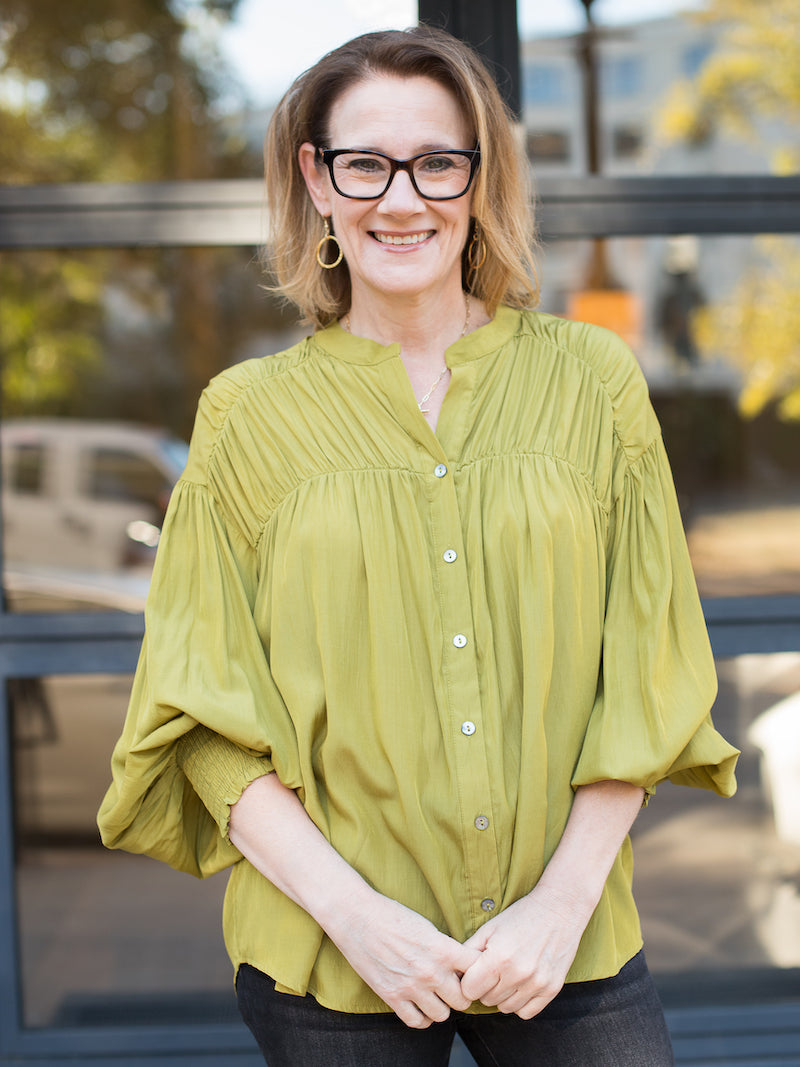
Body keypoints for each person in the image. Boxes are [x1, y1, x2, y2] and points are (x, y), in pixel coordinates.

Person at [98, 25, 740, 1067]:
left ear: (480, 177)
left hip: (561, 947)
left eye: (437, 161)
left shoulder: (590, 380)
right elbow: (203, 716)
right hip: (332, 958)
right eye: (365, 162)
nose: (402, 199)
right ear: (316, 178)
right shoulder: (245, 415)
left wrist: (556, 908)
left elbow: (647, 676)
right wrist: (357, 918)